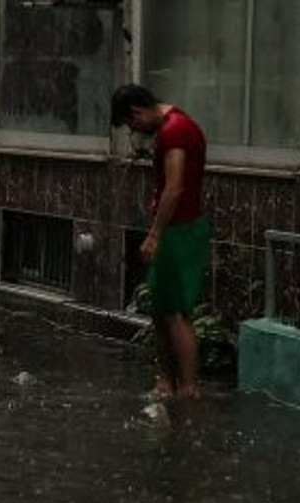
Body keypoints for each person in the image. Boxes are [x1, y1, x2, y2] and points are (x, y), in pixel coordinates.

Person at [111, 84, 210, 399]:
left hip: (179, 232)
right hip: (177, 229)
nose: (135, 131)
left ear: (137, 112)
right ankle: (167, 383)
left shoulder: (174, 131)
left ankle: (187, 388)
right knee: (161, 309)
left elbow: (174, 187)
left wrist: (155, 234)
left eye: (131, 125)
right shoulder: (175, 126)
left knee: (175, 312)